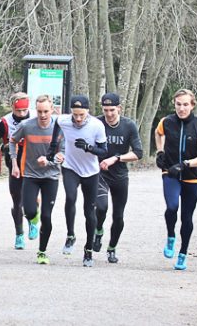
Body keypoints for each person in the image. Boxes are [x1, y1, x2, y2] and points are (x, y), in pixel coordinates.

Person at [155, 89, 197, 270]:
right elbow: (158, 134)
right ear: (174, 104)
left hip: (191, 178)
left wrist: (187, 164)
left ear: (192, 105)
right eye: (178, 104)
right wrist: (160, 151)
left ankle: (183, 253)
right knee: (172, 207)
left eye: (186, 104)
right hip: (170, 173)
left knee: (187, 217)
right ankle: (171, 235)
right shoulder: (166, 122)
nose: (182, 108)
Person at [51, 95, 108, 267]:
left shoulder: (97, 125)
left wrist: (89, 148)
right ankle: (70, 235)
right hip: (70, 167)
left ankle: (88, 250)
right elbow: (56, 126)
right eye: (75, 115)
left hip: (90, 171)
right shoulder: (64, 120)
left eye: (81, 115)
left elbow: (104, 151)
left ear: (88, 112)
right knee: (70, 197)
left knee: (89, 211)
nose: (77, 119)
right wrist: (53, 147)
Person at [11, 95, 62, 265]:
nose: (42, 115)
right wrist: (14, 164)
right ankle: (33, 217)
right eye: (39, 111)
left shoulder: (59, 128)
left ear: (52, 109)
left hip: (51, 176)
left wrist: (50, 160)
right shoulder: (26, 125)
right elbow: (12, 141)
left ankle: (42, 252)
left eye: (46, 111)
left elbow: (63, 154)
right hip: (31, 175)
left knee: (47, 217)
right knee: (29, 211)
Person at [94, 93, 144, 264]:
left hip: (120, 175)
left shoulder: (129, 125)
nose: (109, 114)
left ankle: (112, 248)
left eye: (112, 110)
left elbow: (138, 153)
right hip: (100, 173)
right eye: (106, 110)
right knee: (101, 207)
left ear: (119, 109)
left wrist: (116, 158)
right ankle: (98, 230)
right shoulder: (96, 123)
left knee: (118, 216)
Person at [0, 92, 35, 249]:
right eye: (18, 111)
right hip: (13, 164)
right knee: (17, 200)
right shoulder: (5, 122)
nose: (22, 114)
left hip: (32, 163)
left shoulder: (35, 116)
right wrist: (3, 147)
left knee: (32, 199)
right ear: (12, 107)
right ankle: (19, 234)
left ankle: (33, 220)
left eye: (24, 111)